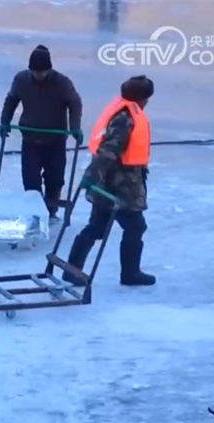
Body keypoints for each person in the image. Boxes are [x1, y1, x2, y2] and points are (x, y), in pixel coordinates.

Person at [63, 75, 156, 287]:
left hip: (110, 183)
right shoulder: (126, 118)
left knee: (97, 227)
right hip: (120, 186)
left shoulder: (122, 111)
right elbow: (108, 151)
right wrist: (90, 176)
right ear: (141, 99)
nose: (147, 103)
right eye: (147, 99)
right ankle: (130, 274)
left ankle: (72, 270)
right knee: (135, 226)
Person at [0, 44, 84, 220]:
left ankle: (51, 211)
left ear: (49, 69)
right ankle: (35, 212)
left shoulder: (62, 83)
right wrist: (5, 121)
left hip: (55, 139)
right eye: (34, 71)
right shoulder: (21, 80)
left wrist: (75, 127)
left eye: (42, 71)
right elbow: (12, 100)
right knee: (30, 179)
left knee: (54, 178)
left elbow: (74, 103)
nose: (38, 75)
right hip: (30, 138)